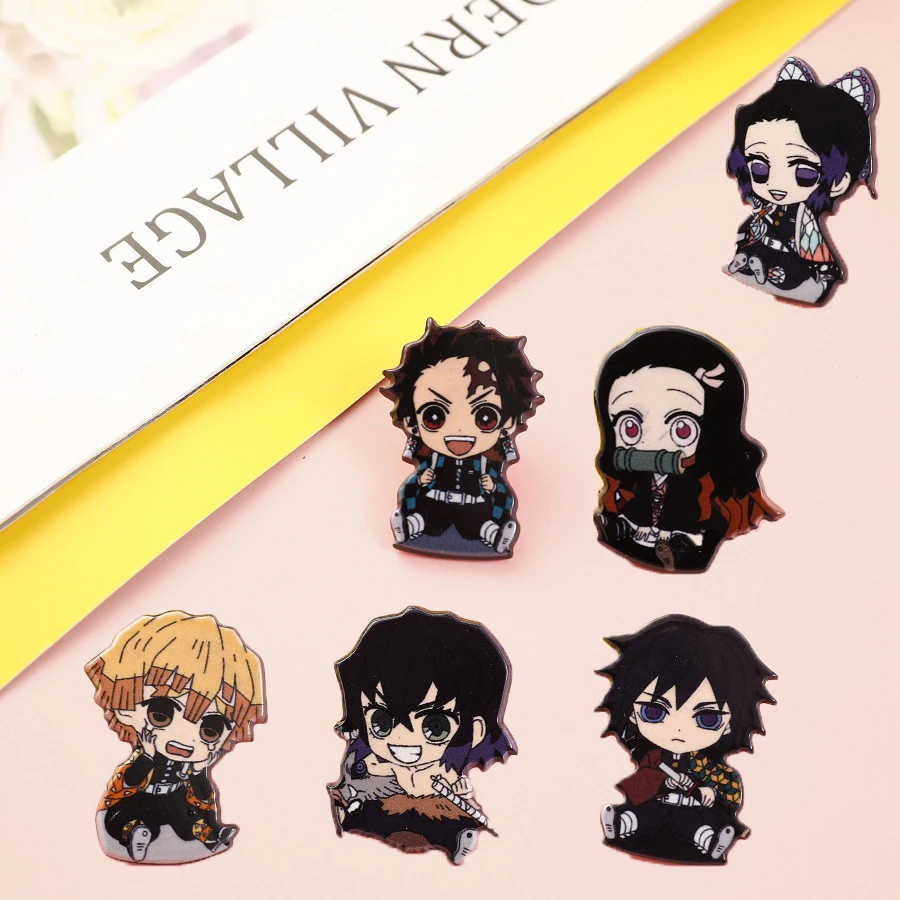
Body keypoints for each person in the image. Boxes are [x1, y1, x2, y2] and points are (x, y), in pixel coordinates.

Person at [329, 607, 515, 864]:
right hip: (379, 809)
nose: (402, 740)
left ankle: (455, 837)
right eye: (381, 723)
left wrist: (454, 788)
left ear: (475, 730)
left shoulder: (447, 768)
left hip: (430, 810)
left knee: (440, 817)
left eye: (434, 727)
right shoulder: (368, 760)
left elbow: (450, 784)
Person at [594, 326, 781, 572]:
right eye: (630, 427)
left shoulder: (701, 485)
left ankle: (677, 548)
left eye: (681, 428)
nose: (654, 442)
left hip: (685, 516)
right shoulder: (635, 479)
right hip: (642, 512)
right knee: (637, 513)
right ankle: (626, 531)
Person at [86, 611, 266, 863]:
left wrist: (199, 770)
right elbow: (129, 780)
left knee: (190, 818)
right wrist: (148, 756)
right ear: (126, 707)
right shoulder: (144, 755)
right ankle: (136, 833)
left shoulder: (193, 765)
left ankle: (210, 834)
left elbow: (202, 794)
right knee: (123, 816)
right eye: (162, 714)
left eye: (210, 729)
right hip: (141, 799)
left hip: (175, 800)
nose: (186, 738)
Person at [597, 615, 776, 864]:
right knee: (644, 814)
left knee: (697, 823)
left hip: (692, 810)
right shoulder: (653, 758)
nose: (678, 729)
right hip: (658, 804)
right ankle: (623, 823)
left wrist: (708, 791)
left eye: (707, 718)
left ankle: (711, 841)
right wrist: (659, 781)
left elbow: (728, 792)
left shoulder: (712, 768)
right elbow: (641, 782)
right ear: (632, 713)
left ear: (729, 724)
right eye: (654, 712)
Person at [382, 319, 543, 558]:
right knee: (427, 517)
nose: (459, 431)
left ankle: (495, 533)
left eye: (485, 417)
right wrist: (424, 480)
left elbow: (501, 493)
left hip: (475, 506)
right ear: (411, 421)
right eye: (434, 417)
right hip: (435, 503)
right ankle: (410, 524)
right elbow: (412, 487)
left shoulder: (486, 464)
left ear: (508, 423)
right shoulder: (431, 460)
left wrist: (491, 486)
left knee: (477, 525)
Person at [725, 56, 876, 304]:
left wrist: (821, 277)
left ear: (839, 181)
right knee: (756, 250)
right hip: (763, 251)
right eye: (760, 167)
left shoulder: (804, 221)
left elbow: (814, 251)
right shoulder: (764, 210)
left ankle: (767, 271)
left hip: (793, 268)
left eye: (803, 173)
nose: (776, 183)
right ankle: (750, 263)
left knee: (788, 269)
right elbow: (751, 229)